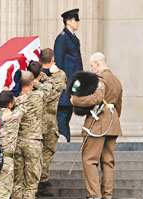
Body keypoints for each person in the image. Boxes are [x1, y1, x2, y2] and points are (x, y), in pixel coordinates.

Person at [71, 52, 122, 199]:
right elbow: (119, 105)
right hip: (113, 122)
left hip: (98, 122)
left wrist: (76, 100)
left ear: (98, 64)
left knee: (89, 158)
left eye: (92, 65)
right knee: (108, 161)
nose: (91, 68)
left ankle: (94, 193)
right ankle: (107, 197)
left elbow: (97, 98)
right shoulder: (116, 80)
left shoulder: (101, 79)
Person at [11, 67, 51, 199]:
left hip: (17, 143)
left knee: (18, 179)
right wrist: (39, 82)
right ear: (32, 82)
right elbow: (49, 88)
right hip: (33, 142)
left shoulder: (13, 99)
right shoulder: (39, 95)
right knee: (32, 180)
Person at [37, 48, 67, 197]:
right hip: (48, 120)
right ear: (53, 59)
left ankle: (40, 179)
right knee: (48, 149)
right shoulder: (59, 75)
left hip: (35, 119)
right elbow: (61, 84)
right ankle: (41, 180)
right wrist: (53, 72)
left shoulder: (35, 75)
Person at [54, 8, 83, 142]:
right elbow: (59, 62)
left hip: (73, 83)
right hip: (66, 85)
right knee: (62, 116)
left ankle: (66, 140)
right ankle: (64, 143)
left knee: (67, 115)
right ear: (69, 21)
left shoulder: (73, 38)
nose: (78, 22)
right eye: (75, 19)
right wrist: (63, 83)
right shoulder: (62, 38)